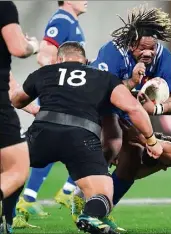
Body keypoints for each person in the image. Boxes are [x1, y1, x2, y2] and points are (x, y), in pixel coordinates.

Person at [11, 41, 162, 234]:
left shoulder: (46, 72)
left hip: (42, 133)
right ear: (86, 61)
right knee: (104, 192)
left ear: (59, 60)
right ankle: (90, 216)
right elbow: (133, 108)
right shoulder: (103, 77)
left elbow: (17, 100)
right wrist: (151, 141)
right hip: (82, 137)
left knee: (9, 168)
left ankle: (6, 217)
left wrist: (32, 106)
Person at [91, 4, 171, 208]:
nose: (148, 52)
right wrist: (131, 83)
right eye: (142, 48)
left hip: (132, 113)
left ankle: (99, 210)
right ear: (130, 45)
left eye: (152, 48)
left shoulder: (161, 56)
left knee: (133, 160)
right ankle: (74, 192)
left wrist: (157, 109)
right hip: (99, 107)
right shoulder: (112, 53)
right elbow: (98, 93)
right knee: (112, 142)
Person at [16, 0, 88, 222]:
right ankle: (65, 192)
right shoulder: (61, 20)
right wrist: (60, 85)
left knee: (52, 143)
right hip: (61, 96)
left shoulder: (71, 21)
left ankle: (28, 199)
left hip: (67, 95)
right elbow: (43, 56)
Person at [0, 1, 39, 233]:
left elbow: (13, 89)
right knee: (17, 169)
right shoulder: (4, 7)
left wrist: (34, 110)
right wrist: (31, 44)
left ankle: (6, 221)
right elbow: (18, 48)